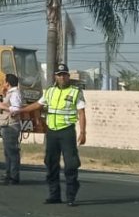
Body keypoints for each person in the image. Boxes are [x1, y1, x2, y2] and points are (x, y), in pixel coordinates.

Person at [16, 62, 87, 206]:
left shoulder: (75, 91)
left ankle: (71, 196)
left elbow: (81, 112)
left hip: (67, 131)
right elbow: (38, 105)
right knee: (51, 163)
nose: (61, 78)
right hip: (52, 132)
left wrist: (83, 132)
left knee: (70, 164)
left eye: (64, 75)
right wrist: (21, 111)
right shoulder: (50, 91)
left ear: (68, 76)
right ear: (55, 77)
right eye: (59, 75)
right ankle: (54, 195)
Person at [0, 73, 23, 185]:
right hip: (7, 125)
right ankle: (8, 174)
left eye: (4, 81)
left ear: (8, 83)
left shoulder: (15, 94)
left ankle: (14, 177)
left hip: (11, 126)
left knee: (12, 152)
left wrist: (3, 106)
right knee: (8, 152)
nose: (3, 83)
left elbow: (16, 109)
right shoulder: (10, 93)